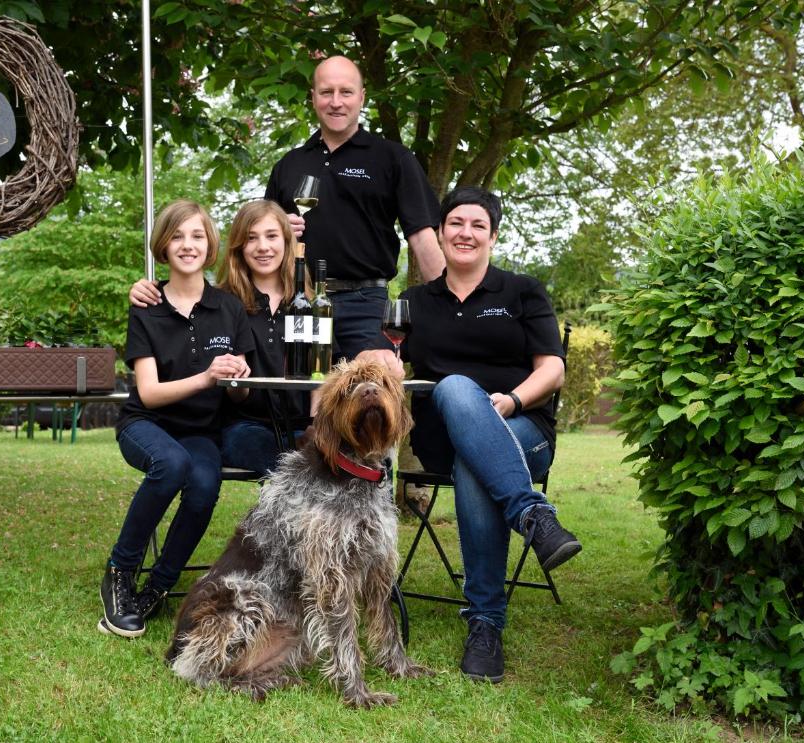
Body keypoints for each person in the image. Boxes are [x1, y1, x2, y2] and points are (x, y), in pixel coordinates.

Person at [361, 186, 582, 683]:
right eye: (455, 223)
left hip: (525, 431)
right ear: (440, 233)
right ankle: (533, 516)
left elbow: (553, 370)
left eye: (477, 225)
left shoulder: (522, 291)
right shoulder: (415, 300)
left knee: (475, 462)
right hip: (439, 439)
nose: (465, 233)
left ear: (493, 236)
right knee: (458, 391)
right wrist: (379, 359)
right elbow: (385, 358)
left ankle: (485, 623)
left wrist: (512, 401)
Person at [101, 199, 254, 638]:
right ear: (162, 246)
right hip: (145, 424)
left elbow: (239, 391)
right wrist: (207, 377)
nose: (188, 244)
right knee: (172, 465)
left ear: (210, 246)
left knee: (205, 485)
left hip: (200, 431)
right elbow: (147, 393)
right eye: (178, 236)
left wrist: (237, 378)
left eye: (198, 235)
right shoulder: (146, 306)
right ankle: (119, 573)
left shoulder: (228, 308)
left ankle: (159, 587)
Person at [264, 54, 445, 361]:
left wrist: (452, 307)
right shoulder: (289, 164)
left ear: (362, 97)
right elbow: (261, 241)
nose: (336, 102)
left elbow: (422, 238)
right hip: (302, 301)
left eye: (346, 92)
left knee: (368, 391)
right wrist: (280, 229)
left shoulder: (392, 158)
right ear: (313, 97)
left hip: (367, 303)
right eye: (326, 92)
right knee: (306, 390)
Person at [130, 200, 311, 475]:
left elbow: (324, 371)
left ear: (288, 243)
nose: (263, 246)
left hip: (302, 423)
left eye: (272, 236)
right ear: (239, 247)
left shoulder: (309, 304)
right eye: (251, 238)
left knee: (340, 450)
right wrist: (146, 288)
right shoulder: (224, 303)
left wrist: (318, 423)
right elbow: (181, 294)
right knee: (282, 455)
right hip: (244, 426)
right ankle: (301, 476)